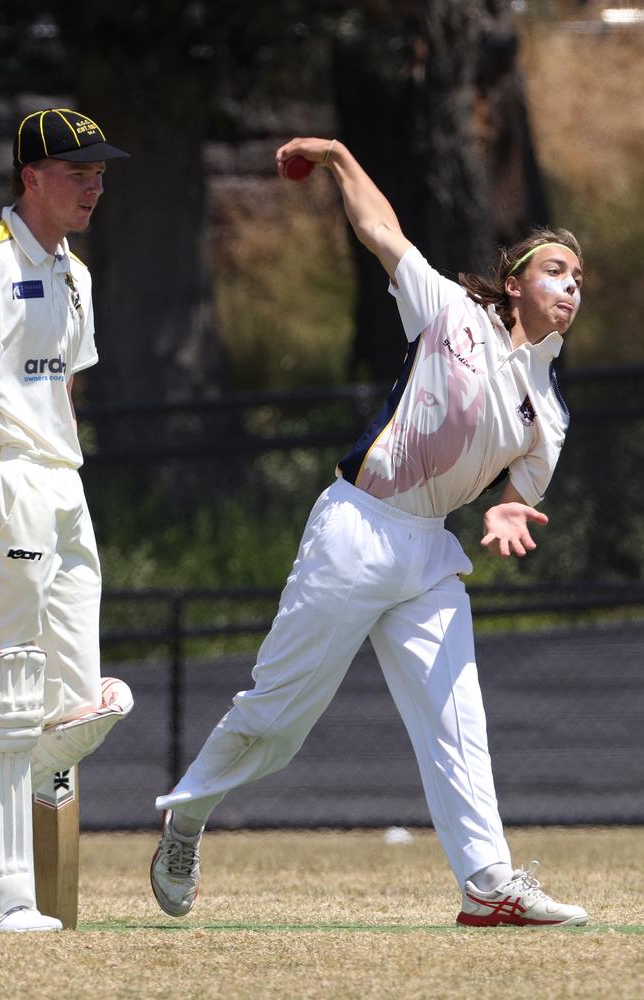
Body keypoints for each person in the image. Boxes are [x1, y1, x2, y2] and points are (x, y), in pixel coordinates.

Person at [151, 137, 588, 928]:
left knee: (459, 718)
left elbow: (518, 494)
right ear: (516, 281)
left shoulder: (548, 407)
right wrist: (343, 158)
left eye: (580, 280)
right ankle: (185, 814)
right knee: (278, 720)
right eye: (557, 271)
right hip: (357, 527)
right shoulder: (450, 313)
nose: (571, 287)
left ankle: (488, 886)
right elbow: (383, 233)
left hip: (427, 552)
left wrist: (504, 508)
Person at [0, 108, 134, 932]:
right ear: (31, 178)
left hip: (65, 484)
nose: (95, 185)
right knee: (11, 681)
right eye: (78, 172)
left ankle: (30, 779)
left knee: (78, 703)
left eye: (101, 172)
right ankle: (10, 894)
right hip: (6, 477)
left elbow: (66, 387)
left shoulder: (77, 273)